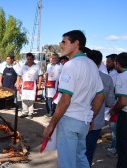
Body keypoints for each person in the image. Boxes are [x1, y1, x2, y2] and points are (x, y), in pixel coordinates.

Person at [43, 30, 105, 168]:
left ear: (76, 43)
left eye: (64, 42)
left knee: (67, 162)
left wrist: (51, 125)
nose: (61, 45)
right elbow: (100, 95)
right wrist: (91, 117)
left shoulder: (70, 65)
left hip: (70, 120)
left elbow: (65, 100)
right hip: (83, 121)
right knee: (80, 158)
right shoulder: (92, 65)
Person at [85, 50, 115, 166]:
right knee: (89, 151)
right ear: (100, 63)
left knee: (76, 150)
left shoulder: (78, 76)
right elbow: (110, 101)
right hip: (96, 121)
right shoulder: (107, 79)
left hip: (77, 120)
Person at [109, 52, 127, 168]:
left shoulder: (122, 77)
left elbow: (123, 102)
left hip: (125, 116)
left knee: (123, 147)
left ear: (117, 63)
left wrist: (113, 110)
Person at [19, 53, 43, 119]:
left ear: (33, 59)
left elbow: (40, 76)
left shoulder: (37, 66)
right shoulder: (23, 66)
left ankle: (30, 113)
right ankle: (24, 112)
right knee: (24, 98)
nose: (29, 60)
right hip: (25, 85)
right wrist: (18, 82)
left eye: (30, 59)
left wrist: (39, 84)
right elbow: (19, 75)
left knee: (31, 99)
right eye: (28, 59)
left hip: (32, 85)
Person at [105, 54, 119, 157]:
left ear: (115, 62)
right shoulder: (112, 73)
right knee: (113, 127)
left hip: (116, 105)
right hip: (113, 105)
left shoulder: (116, 75)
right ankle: (114, 145)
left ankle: (115, 148)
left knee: (115, 128)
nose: (106, 64)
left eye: (109, 62)